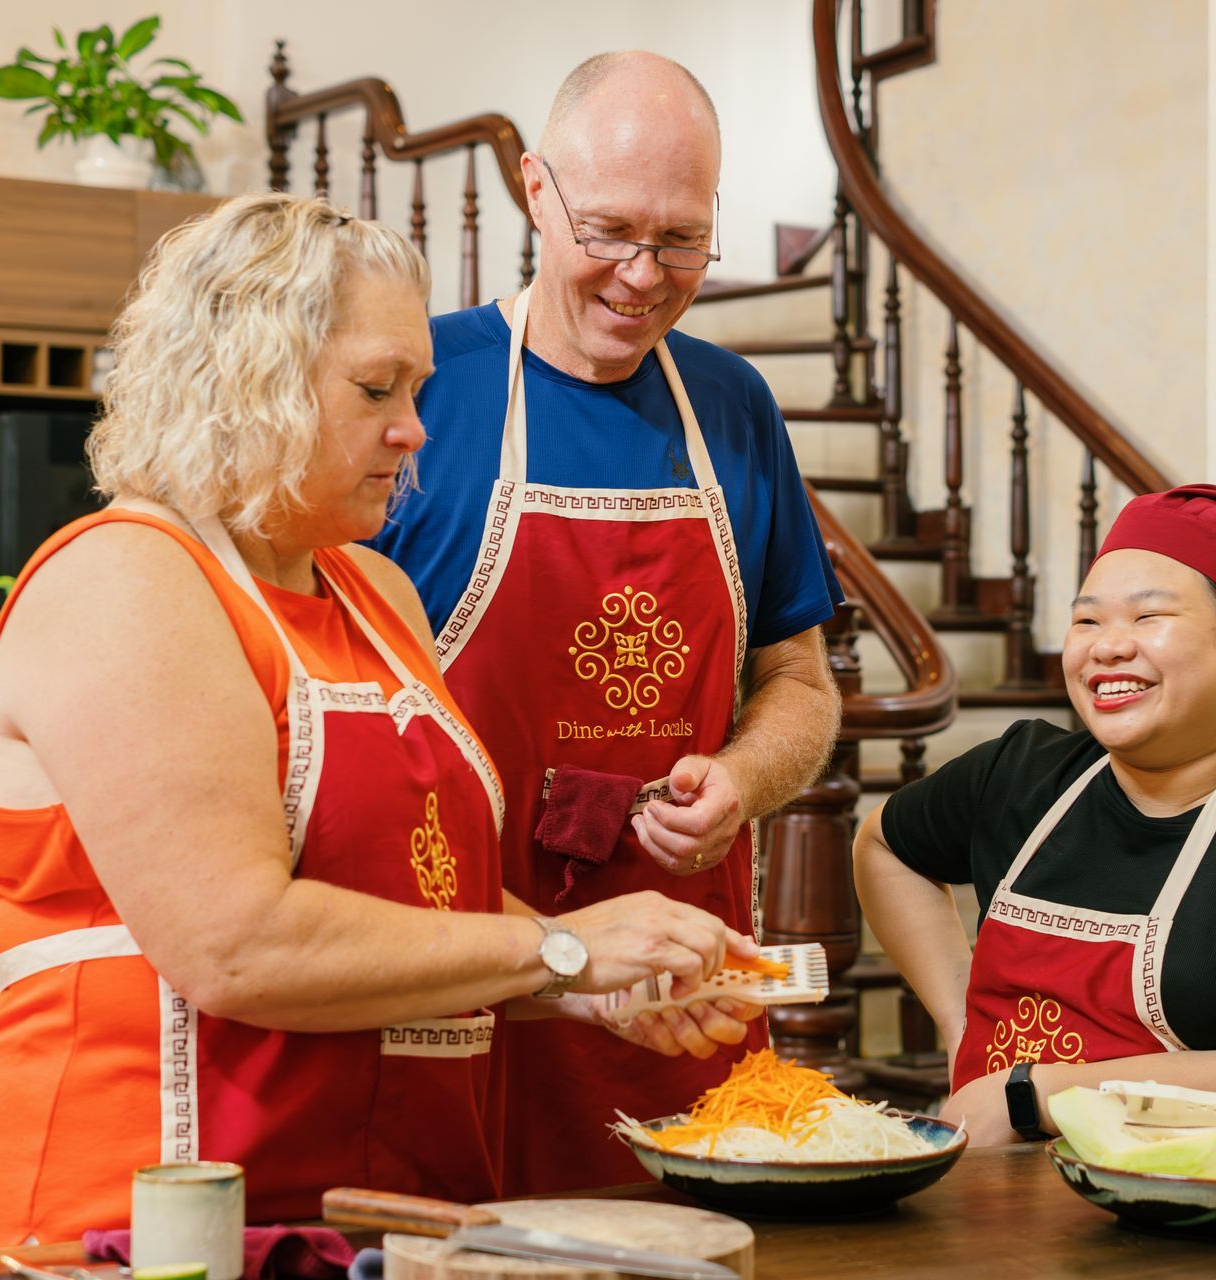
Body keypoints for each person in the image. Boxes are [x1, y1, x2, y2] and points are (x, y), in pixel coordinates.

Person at [0, 194, 759, 1249]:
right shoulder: (126, 578)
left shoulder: (375, 591)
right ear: (246, 381)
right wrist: (556, 948)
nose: (414, 428)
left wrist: (595, 991)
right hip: (136, 1209)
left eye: (417, 387)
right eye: (376, 389)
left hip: (382, 1197)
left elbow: (422, 895)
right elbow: (235, 942)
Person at [369, 52, 844, 1194]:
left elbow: (803, 683)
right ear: (536, 190)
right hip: (454, 994)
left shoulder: (731, 405)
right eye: (612, 229)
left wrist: (743, 776)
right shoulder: (420, 389)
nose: (644, 274)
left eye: (682, 238)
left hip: (684, 1008)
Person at [854, 484, 1216, 1145]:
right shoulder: (1021, 775)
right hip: (986, 1197)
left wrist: (1032, 1094)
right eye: (1087, 621)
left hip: (1169, 1213)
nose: (1108, 647)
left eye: (1148, 618)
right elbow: (882, 846)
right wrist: (960, 1026)